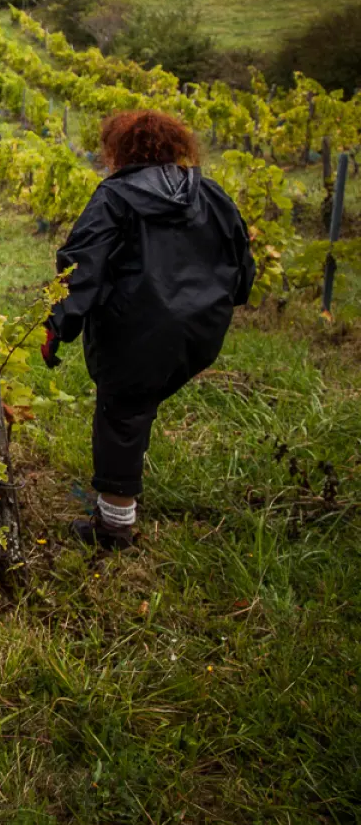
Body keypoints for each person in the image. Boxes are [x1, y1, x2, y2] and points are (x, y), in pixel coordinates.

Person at [42, 110, 253, 550]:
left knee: (122, 410)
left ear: (119, 151)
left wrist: (57, 326)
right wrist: (223, 300)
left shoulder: (115, 197)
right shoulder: (210, 193)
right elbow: (241, 260)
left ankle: (114, 526)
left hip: (137, 327)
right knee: (141, 399)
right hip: (201, 330)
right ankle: (120, 490)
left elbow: (81, 267)